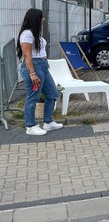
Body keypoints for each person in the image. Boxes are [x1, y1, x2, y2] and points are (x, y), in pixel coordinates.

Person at [16, 8, 63, 136]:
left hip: (42, 65)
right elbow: (27, 56)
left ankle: (48, 122)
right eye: (42, 17)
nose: (44, 19)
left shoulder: (35, 34)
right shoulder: (27, 34)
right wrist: (32, 73)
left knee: (52, 93)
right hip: (34, 66)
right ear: (35, 19)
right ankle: (30, 126)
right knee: (33, 97)